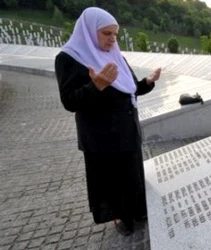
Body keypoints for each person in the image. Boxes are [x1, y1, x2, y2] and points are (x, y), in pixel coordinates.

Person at [54, 7, 161, 236]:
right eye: (106, 34)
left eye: (115, 34)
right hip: (101, 138)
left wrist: (148, 82)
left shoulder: (116, 56)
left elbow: (130, 88)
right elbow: (69, 101)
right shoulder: (69, 58)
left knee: (131, 176)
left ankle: (137, 211)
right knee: (112, 182)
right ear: (90, 31)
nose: (112, 39)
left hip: (127, 133)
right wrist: (96, 86)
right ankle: (121, 218)